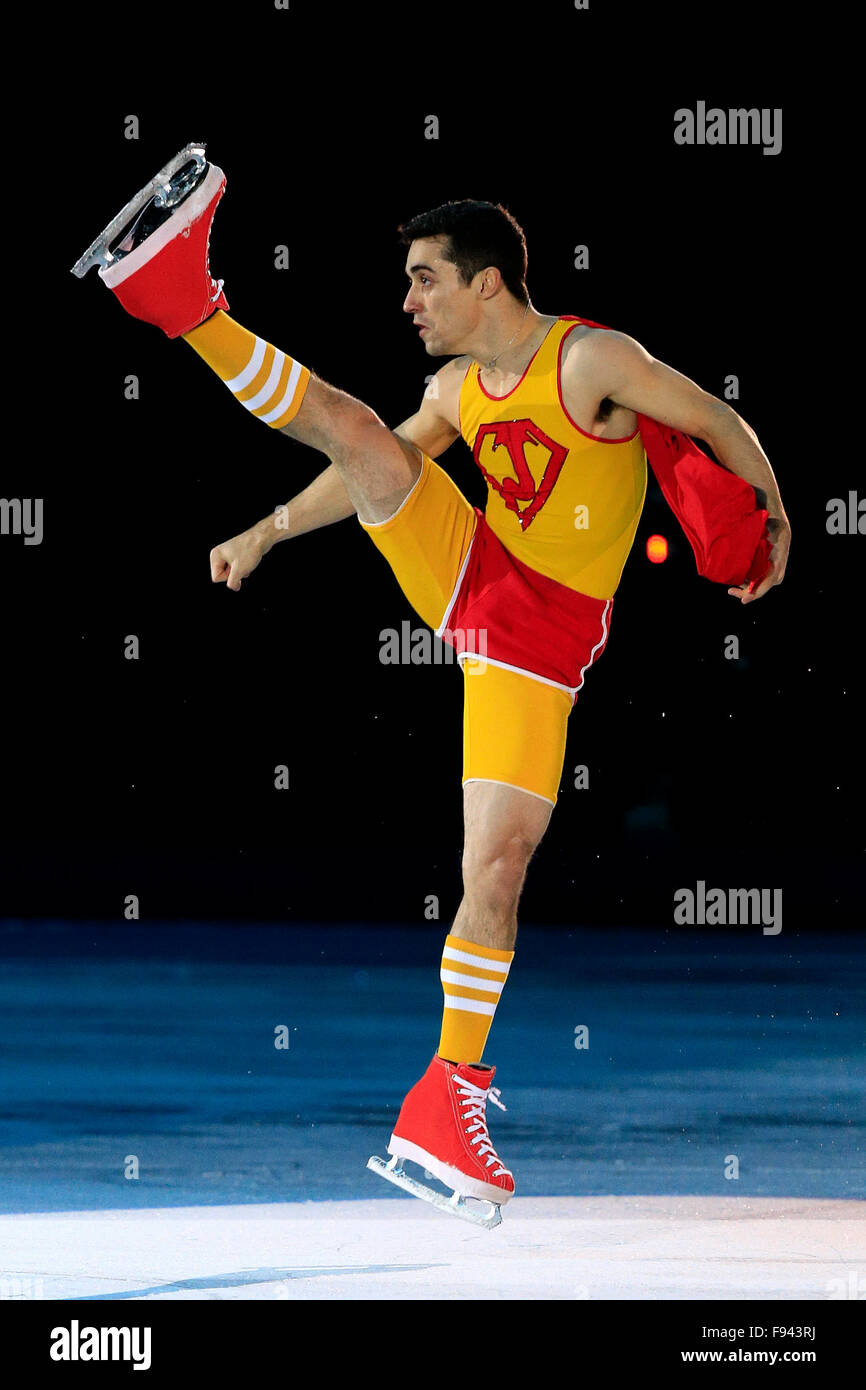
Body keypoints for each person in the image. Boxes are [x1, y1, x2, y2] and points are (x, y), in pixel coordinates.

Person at [88, 156, 790, 1216]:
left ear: (488, 283)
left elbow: (712, 420)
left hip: (537, 646)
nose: (408, 301)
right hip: (471, 578)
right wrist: (267, 530)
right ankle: (190, 306)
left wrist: (774, 516)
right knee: (366, 431)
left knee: (494, 873)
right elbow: (364, 456)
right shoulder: (455, 389)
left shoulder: (590, 359)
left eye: (425, 280)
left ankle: (440, 1100)